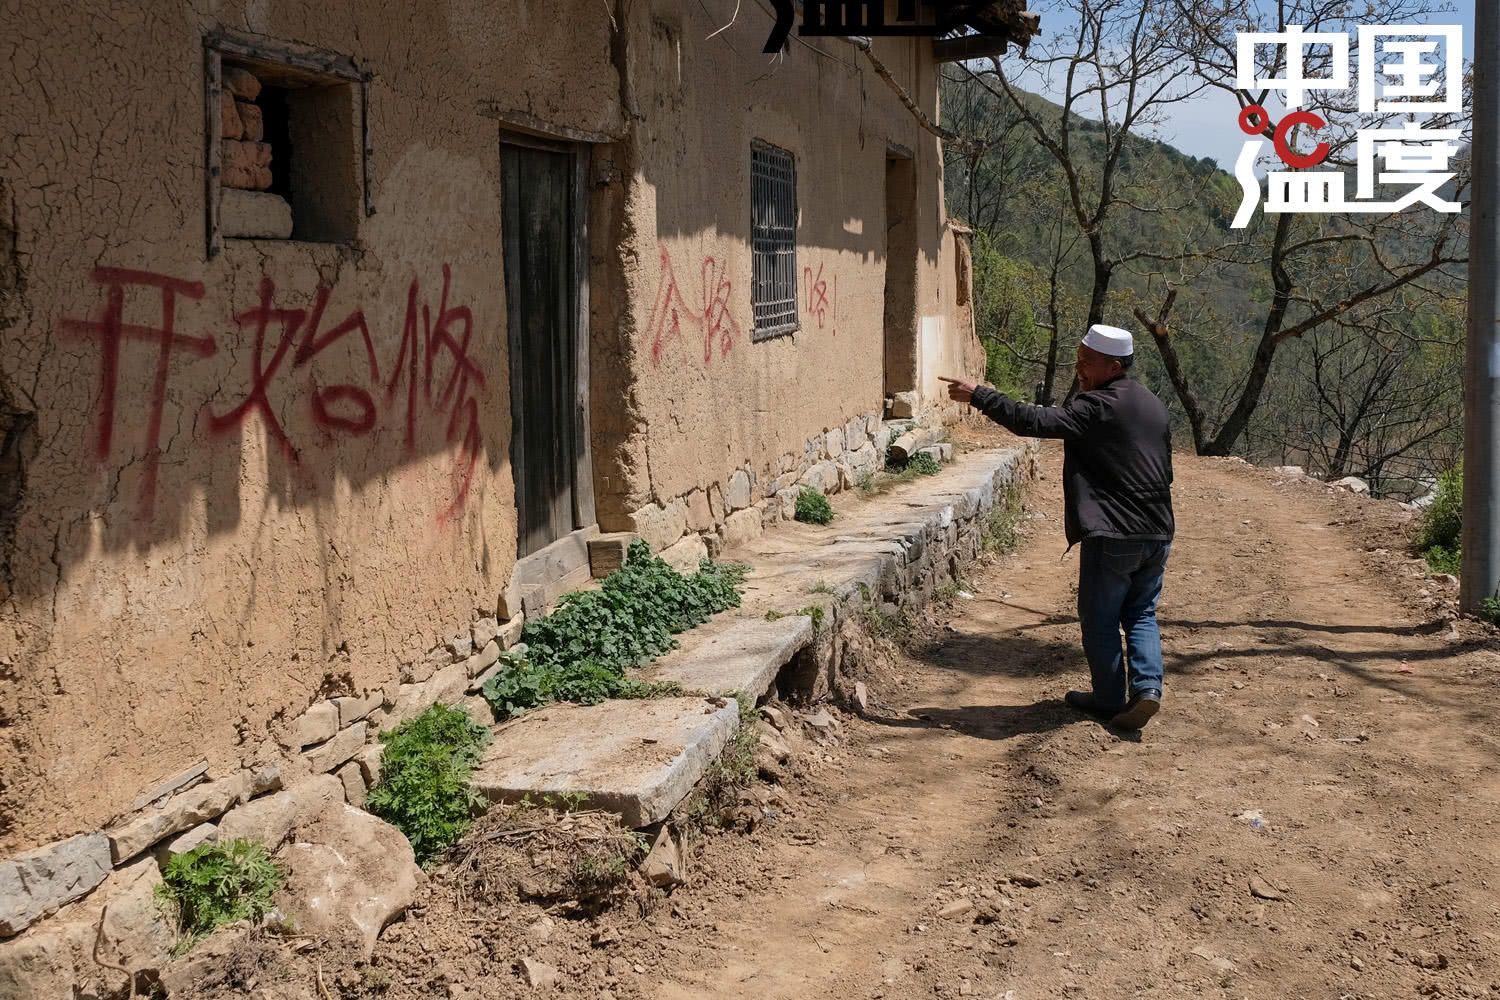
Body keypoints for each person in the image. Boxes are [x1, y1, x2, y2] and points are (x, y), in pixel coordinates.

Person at [940, 324, 1174, 730]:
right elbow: (1166, 471)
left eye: (1087, 363)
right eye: (1078, 359)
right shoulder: (1152, 404)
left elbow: (1036, 421)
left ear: (1113, 366)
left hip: (1113, 534)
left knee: (1100, 618)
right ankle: (1148, 688)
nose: (1078, 369)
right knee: (1140, 612)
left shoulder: (1096, 406)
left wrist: (980, 395)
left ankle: (1107, 698)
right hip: (1157, 531)